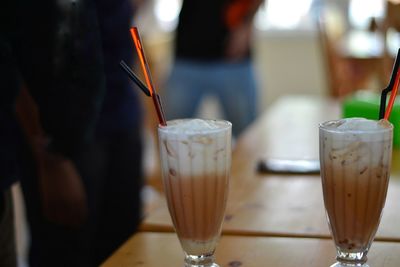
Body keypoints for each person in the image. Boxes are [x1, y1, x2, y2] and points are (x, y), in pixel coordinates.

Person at [1, 0, 144, 266]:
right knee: (65, 251)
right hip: (59, 134)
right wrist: (50, 157)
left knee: (124, 248)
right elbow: (10, 54)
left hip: (121, 112)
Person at [162, 0, 264, 137]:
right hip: (187, 58)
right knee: (171, 136)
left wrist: (246, 25)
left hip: (234, 60)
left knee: (247, 137)